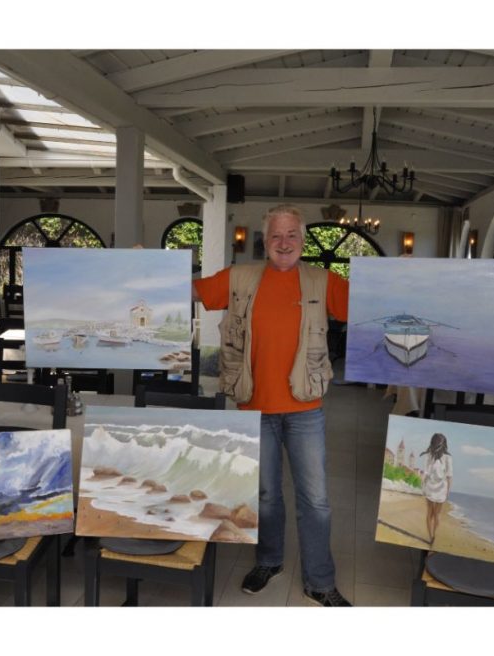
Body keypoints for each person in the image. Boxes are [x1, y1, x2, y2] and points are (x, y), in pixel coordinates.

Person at [193, 204, 351, 606]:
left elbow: (371, 306)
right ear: (266, 241)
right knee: (265, 496)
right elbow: (193, 291)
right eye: (276, 235)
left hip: (305, 409)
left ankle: (320, 581)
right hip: (254, 407)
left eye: (292, 235)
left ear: (303, 239)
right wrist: (148, 267)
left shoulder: (323, 281)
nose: (284, 243)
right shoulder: (239, 278)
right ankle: (269, 561)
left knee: (316, 501)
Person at [419, 432, 453, 544]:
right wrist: (447, 492)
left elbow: (426, 473)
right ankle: (432, 536)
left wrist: (422, 485)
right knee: (434, 514)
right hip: (437, 488)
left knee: (431, 514)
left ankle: (431, 536)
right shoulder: (445, 457)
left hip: (436, 488)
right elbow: (449, 476)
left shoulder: (433, 456)